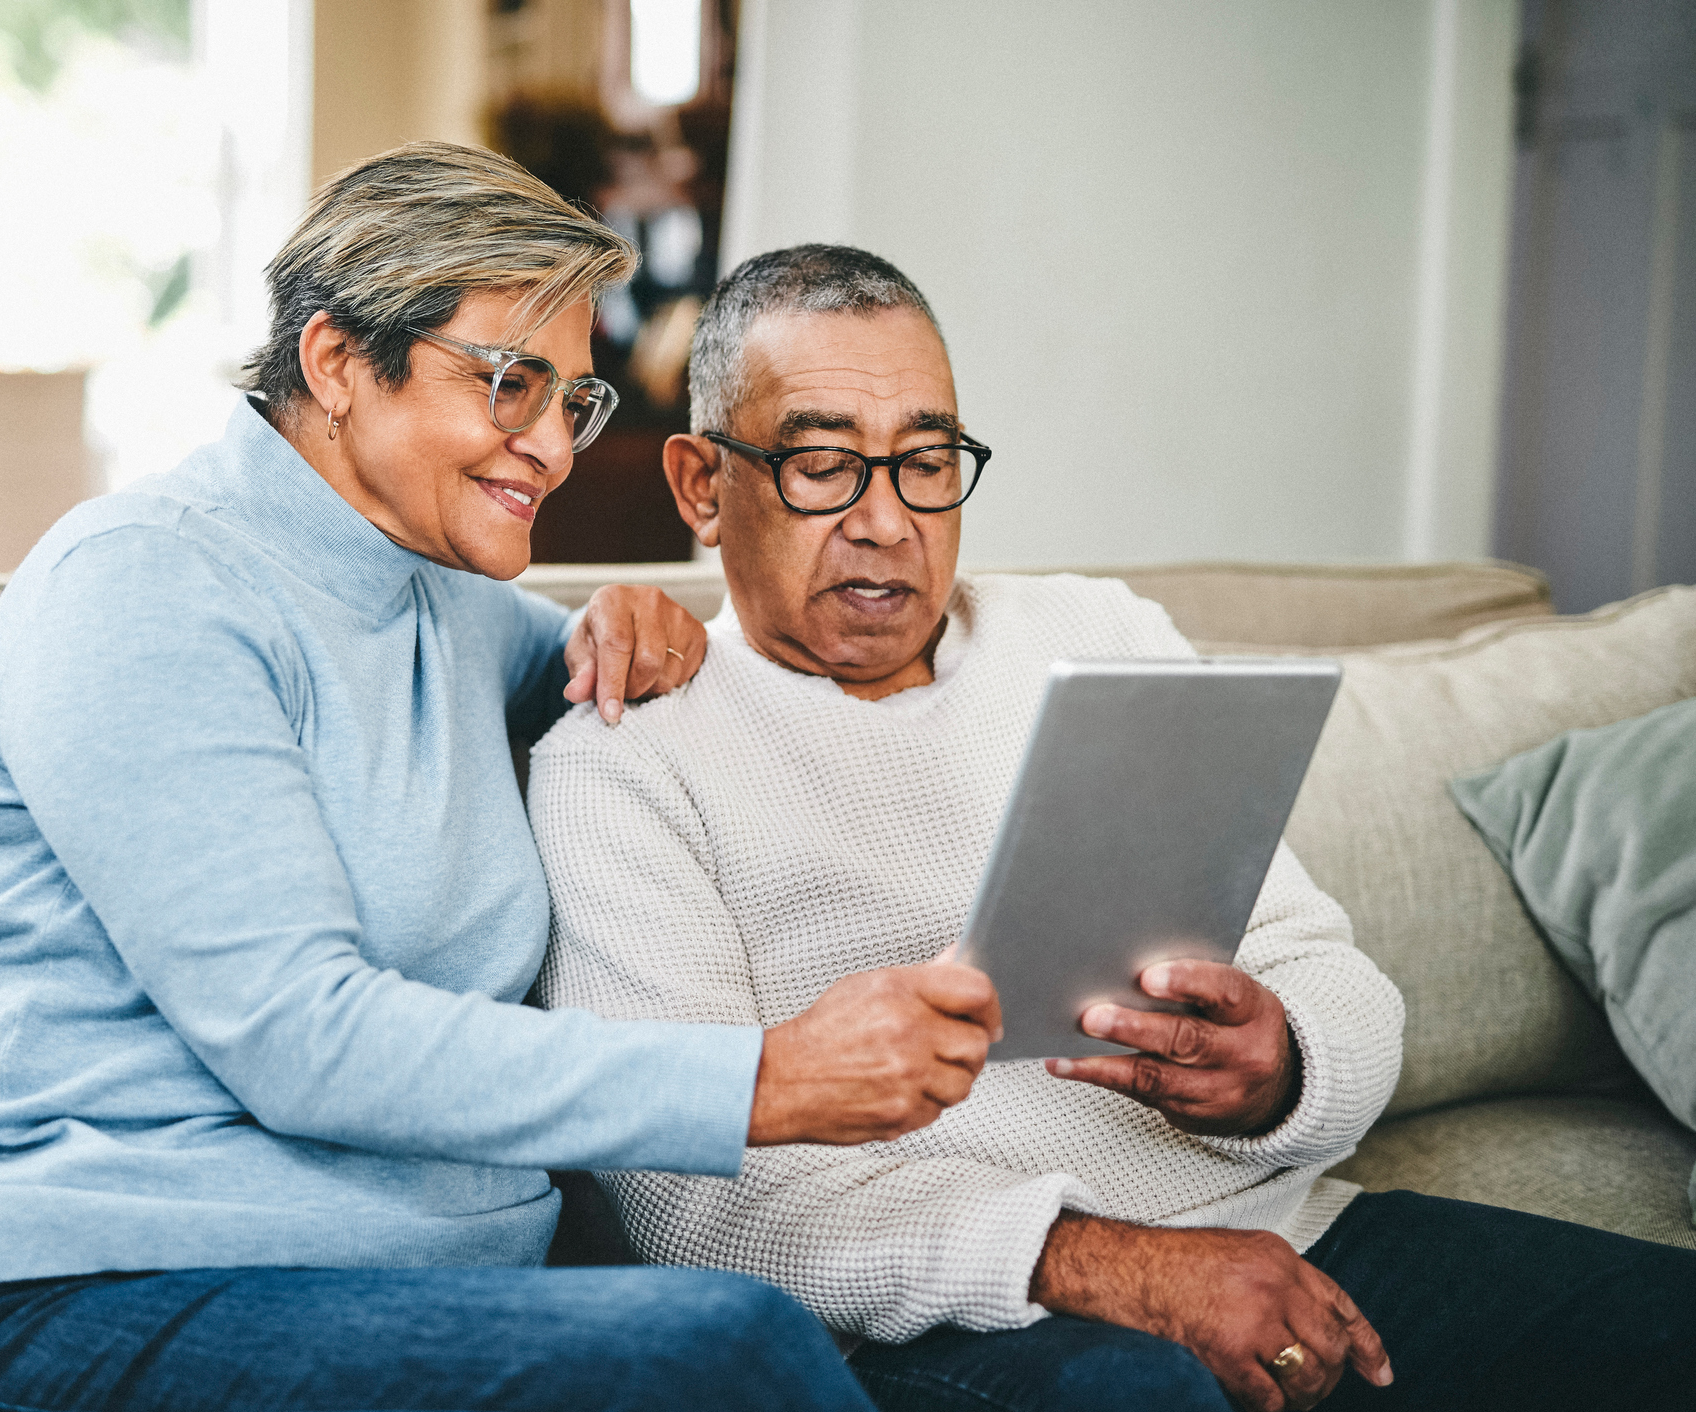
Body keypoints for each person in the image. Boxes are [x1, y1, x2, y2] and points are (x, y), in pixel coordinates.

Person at [0, 152, 1002, 1412]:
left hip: (392, 1295)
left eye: (573, 400)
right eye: (506, 384)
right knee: (724, 1347)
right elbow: (300, 1038)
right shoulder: (144, 583)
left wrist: (633, 620)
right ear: (333, 363)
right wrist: (761, 1079)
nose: (549, 447)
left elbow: (626, 683)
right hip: (40, 1300)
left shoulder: (453, 604)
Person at [531, 243, 1696, 1412]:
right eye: (825, 465)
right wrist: (1124, 1266)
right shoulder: (629, 750)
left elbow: (1335, 977)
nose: (885, 521)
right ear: (698, 483)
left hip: (1282, 1237)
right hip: (961, 1313)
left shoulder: (1095, 632)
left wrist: (1279, 1067)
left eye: (927, 462)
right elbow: (694, 1203)